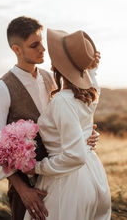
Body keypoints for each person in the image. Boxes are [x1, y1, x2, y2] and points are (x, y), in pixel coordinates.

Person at [0, 16, 100, 220]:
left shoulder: (50, 80)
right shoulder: (2, 88)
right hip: (29, 190)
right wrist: (23, 191)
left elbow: (66, 122)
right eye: (34, 45)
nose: (43, 49)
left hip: (62, 180)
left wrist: (85, 137)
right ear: (16, 49)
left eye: (41, 42)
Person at [23, 29, 111, 220]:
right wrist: (91, 66)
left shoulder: (63, 101)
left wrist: (37, 167)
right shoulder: (92, 91)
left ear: (57, 66)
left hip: (68, 182)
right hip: (93, 175)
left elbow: (75, 155)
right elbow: (91, 76)